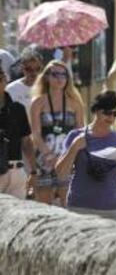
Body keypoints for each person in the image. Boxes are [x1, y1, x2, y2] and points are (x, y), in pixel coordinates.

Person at [55, 91, 116, 223]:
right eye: (107, 112)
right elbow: (60, 174)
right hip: (79, 208)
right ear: (96, 110)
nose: (111, 117)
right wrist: (74, 148)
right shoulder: (75, 136)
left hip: (112, 210)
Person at [31, 60, 84, 206]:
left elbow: (80, 133)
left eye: (64, 74)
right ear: (47, 77)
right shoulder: (38, 102)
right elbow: (35, 134)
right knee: (44, 208)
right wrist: (49, 155)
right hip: (45, 160)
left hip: (68, 158)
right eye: (55, 74)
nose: (60, 78)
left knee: (68, 205)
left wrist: (70, 156)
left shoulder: (75, 103)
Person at [0, 67, 37, 199]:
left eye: (1, 75)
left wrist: (33, 171)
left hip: (17, 172)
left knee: (18, 217)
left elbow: (26, 141)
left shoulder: (18, 108)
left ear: (5, 79)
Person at [6, 49, 43, 114]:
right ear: (22, 68)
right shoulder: (10, 89)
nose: (34, 73)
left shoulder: (47, 87)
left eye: (38, 69)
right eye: (29, 69)